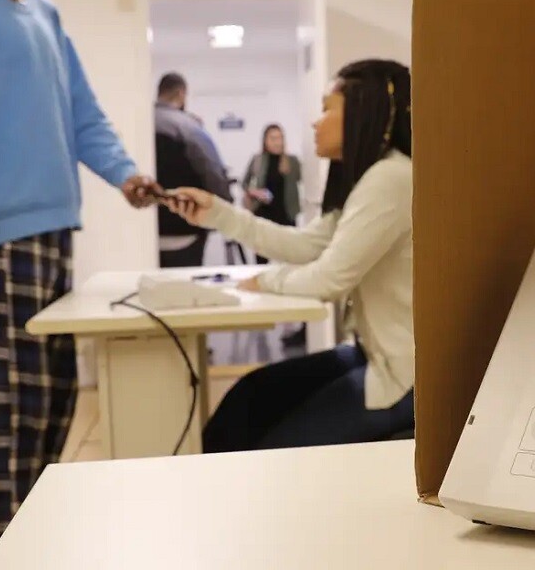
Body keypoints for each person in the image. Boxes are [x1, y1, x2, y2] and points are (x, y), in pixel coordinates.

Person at [0, 0, 160, 556]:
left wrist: (126, 175)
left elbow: (82, 114)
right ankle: (1, 550)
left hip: (53, 232)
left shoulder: (46, 16)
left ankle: (35, 538)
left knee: (54, 397)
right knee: (13, 405)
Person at [165, 59, 414, 451]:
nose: (317, 122)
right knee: (248, 398)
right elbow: (307, 246)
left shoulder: (390, 178)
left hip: (401, 376)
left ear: (366, 111)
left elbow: (330, 279)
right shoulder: (371, 178)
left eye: (327, 108)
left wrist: (264, 279)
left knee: (271, 446)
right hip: (372, 355)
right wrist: (217, 212)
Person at [154, 72, 232, 267]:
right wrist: (226, 209)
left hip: (148, 231)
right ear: (181, 94)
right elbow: (211, 170)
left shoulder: (139, 124)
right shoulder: (189, 127)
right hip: (186, 226)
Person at [241, 124, 302, 264]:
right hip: (263, 214)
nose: (277, 142)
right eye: (273, 138)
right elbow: (244, 184)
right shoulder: (258, 160)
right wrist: (255, 192)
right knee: (261, 257)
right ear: (265, 141)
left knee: (289, 257)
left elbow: (301, 179)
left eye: (280, 138)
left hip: (286, 215)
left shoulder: (292, 161)